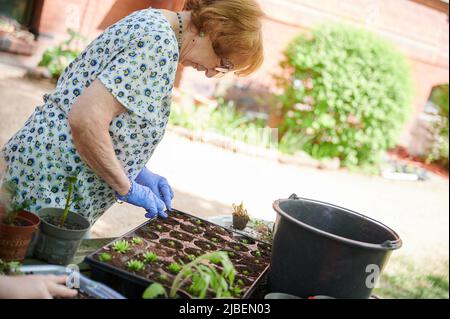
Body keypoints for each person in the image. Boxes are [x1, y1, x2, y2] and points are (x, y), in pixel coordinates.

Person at [0, 0, 264, 227]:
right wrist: (126, 186)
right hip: (54, 180)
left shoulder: (155, 23)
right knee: (23, 275)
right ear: (212, 29)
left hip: (52, 173)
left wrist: (137, 170)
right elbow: (86, 119)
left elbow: (113, 120)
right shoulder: (158, 43)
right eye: (223, 65)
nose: (210, 73)